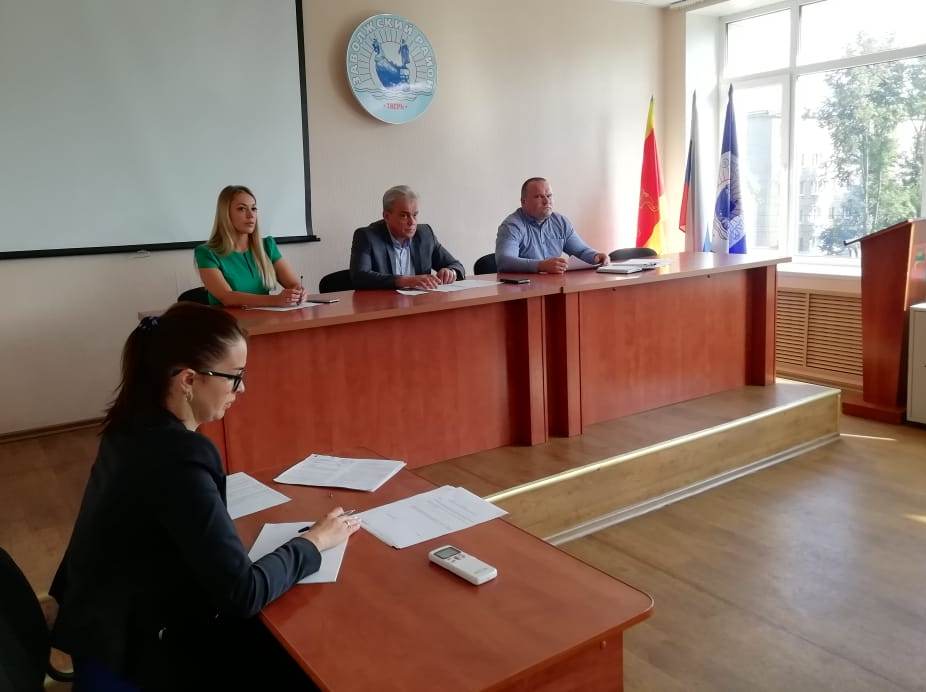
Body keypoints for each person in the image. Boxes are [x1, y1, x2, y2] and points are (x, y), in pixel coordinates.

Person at [50, 303, 359, 690]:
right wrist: (313, 542)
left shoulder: (130, 427)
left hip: (101, 633)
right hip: (140, 656)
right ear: (188, 380)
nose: (242, 389)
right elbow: (243, 593)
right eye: (235, 376)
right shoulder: (178, 457)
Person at [195, 185, 307, 307]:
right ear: (225, 214)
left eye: (253, 208)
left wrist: (298, 292)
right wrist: (275, 300)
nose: (251, 215)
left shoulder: (267, 246)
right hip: (228, 319)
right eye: (242, 209)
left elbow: (293, 284)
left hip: (266, 317)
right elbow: (227, 297)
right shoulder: (206, 252)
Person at [349, 185, 465, 290]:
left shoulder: (425, 235)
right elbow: (359, 277)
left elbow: (457, 266)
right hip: (383, 304)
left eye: (415, 215)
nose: (412, 222)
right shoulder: (367, 237)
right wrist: (404, 281)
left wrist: (450, 272)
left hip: (421, 302)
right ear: (386, 216)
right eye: (404, 215)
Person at [495, 177, 611, 273]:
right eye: (538, 196)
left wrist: (596, 256)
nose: (546, 201)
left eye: (549, 195)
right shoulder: (512, 226)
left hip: (554, 285)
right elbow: (505, 261)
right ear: (523, 201)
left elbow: (580, 251)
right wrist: (540, 266)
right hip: (522, 289)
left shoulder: (560, 222)